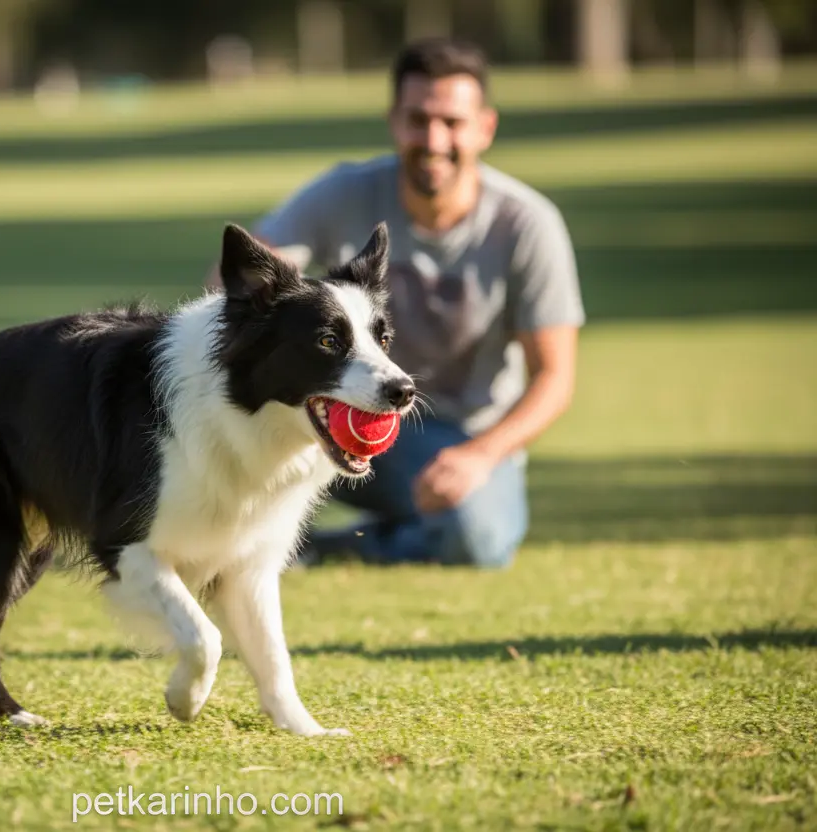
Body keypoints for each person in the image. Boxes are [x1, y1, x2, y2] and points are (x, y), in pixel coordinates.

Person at [205, 37, 585, 568]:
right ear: (394, 121)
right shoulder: (343, 191)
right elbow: (241, 283)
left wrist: (479, 458)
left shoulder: (527, 224)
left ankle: (319, 550)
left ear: (485, 128)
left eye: (452, 122)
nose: (433, 138)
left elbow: (554, 378)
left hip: (457, 440)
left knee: (477, 541)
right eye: (418, 119)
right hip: (332, 412)